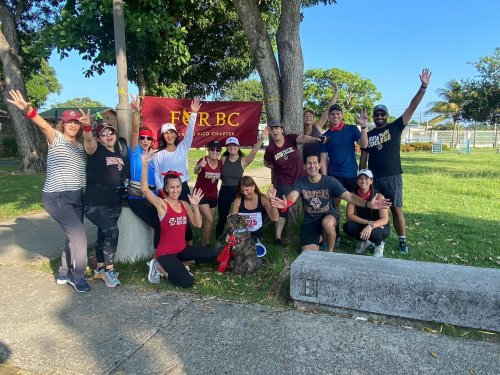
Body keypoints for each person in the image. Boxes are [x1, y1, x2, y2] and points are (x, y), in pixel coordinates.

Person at [7, 90, 90, 292]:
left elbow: (92, 143)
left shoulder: (79, 146)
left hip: (77, 196)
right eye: (69, 121)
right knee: (79, 236)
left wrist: (89, 125)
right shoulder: (56, 138)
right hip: (57, 197)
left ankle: (63, 271)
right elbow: (41, 123)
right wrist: (26, 108)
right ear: (63, 124)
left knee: (73, 236)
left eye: (76, 122)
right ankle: (77, 276)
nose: (73, 124)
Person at [360, 68, 432, 254]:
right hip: (375, 178)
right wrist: (361, 174)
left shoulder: (395, 128)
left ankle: (402, 240)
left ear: (387, 115)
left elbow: (412, 107)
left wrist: (423, 86)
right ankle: (376, 240)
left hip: (393, 177)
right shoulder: (369, 134)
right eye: (376, 115)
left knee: (396, 210)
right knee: (375, 210)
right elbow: (364, 152)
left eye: (382, 114)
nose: (379, 117)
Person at [270, 155, 391, 252]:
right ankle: (321, 237)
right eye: (309, 163)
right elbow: (293, 195)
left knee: (327, 223)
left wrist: (368, 204)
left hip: (329, 215)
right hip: (310, 220)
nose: (312, 166)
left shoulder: (330, 181)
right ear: (305, 166)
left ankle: (330, 251)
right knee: (308, 253)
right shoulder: (301, 182)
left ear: (319, 165)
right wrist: (287, 203)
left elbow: (349, 196)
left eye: (314, 163)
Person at [140, 154, 217, 288]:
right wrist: (145, 165)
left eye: (178, 187)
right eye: (172, 187)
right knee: (187, 282)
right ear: (166, 189)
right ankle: (159, 267)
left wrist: (195, 205)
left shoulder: (184, 204)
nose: (175, 190)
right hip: (165, 253)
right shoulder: (162, 204)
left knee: (212, 254)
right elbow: (145, 190)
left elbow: (198, 224)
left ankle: (180, 264)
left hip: (181, 250)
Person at [263, 120, 328, 246]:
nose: (275, 131)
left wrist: (316, 139)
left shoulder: (290, 139)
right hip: (284, 182)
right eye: (272, 129)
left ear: (282, 130)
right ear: (270, 133)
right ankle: (277, 238)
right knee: (283, 208)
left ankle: (320, 233)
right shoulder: (271, 149)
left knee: (313, 203)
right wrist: (276, 167)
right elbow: (266, 163)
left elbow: (303, 138)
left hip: (301, 178)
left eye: (277, 128)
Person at [83, 119, 127, 288]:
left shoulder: (118, 154)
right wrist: (87, 127)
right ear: (99, 137)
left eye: (111, 132)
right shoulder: (95, 150)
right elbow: (88, 140)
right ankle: (110, 271)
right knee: (112, 232)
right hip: (95, 202)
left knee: (103, 233)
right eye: (103, 133)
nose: (108, 136)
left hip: (113, 202)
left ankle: (100, 267)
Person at [153, 99, 202, 244]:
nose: (169, 136)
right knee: (168, 220)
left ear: (176, 134)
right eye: (166, 133)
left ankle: (189, 249)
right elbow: (156, 174)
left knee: (185, 217)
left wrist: (193, 113)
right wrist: (161, 190)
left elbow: (189, 133)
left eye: (172, 133)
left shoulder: (182, 148)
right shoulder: (158, 155)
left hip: (183, 187)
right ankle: (170, 247)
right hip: (166, 190)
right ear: (163, 136)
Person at [319, 105, 369, 245]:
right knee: (334, 205)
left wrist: (363, 126)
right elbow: (323, 159)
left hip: (352, 174)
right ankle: (335, 234)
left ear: (342, 115)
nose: (335, 116)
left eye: (338, 114)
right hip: (334, 176)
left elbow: (364, 144)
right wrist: (325, 178)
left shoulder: (352, 129)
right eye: (332, 114)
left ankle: (363, 234)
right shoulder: (326, 136)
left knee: (357, 203)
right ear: (329, 117)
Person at [215, 130, 269, 240]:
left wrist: (262, 139)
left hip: (238, 191)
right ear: (227, 148)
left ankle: (238, 237)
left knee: (238, 217)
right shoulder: (223, 159)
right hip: (224, 190)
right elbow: (213, 164)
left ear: (238, 147)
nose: (232, 147)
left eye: (234, 145)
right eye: (229, 145)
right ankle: (219, 239)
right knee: (222, 217)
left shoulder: (243, 161)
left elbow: (253, 152)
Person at [126, 95, 160, 254]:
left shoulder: (154, 155)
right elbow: (133, 130)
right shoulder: (135, 151)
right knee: (158, 224)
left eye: (148, 138)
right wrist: (136, 112)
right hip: (137, 195)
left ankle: (165, 254)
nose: (145, 140)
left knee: (164, 221)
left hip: (153, 194)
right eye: (142, 137)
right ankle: (157, 259)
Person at [343, 169, 390, 257]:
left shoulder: (379, 196)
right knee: (348, 227)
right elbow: (350, 215)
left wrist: (371, 226)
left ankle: (379, 244)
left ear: (371, 181)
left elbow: (385, 219)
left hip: (379, 225)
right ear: (357, 181)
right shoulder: (353, 195)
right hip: (364, 222)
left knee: (374, 233)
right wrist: (368, 223)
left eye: (366, 178)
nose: (363, 181)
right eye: (361, 178)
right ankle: (365, 241)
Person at [230, 176, 279, 241]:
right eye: (242, 191)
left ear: (253, 187)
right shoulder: (238, 200)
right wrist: (230, 233)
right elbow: (232, 220)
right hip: (241, 234)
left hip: (257, 235)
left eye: (247, 190)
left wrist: (273, 201)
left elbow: (275, 218)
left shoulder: (263, 199)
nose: (244, 193)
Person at [193, 140, 223, 246]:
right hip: (200, 194)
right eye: (212, 149)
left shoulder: (220, 163)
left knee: (207, 221)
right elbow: (195, 171)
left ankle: (203, 239)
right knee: (210, 220)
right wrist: (200, 165)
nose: (215, 151)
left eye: (218, 149)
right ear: (209, 150)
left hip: (213, 195)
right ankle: (207, 244)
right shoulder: (203, 160)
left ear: (220, 151)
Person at [303, 83, 339, 162]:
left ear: (314, 118)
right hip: (306, 165)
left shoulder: (317, 126)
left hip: (320, 164)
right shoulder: (300, 130)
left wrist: (336, 92)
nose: (308, 117)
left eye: (311, 116)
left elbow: (327, 110)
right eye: (305, 116)